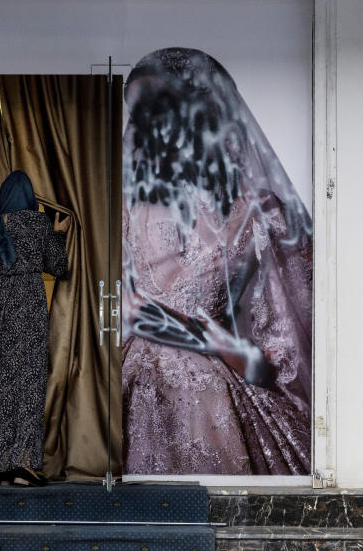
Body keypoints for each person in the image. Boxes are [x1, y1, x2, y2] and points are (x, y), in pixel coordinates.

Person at [121, 48, 313, 475]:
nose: (141, 127)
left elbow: (288, 342)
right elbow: (111, 303)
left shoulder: (262, 212)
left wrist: (233, 350)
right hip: (128, 375)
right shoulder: (122, 206)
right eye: (135, 114)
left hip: (216, 388)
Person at [0, 170, 70, 486]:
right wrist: (57, 233)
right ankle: (23, 463)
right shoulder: (39, 225)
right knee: (27, 382)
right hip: (29, 304)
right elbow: (59, 268)